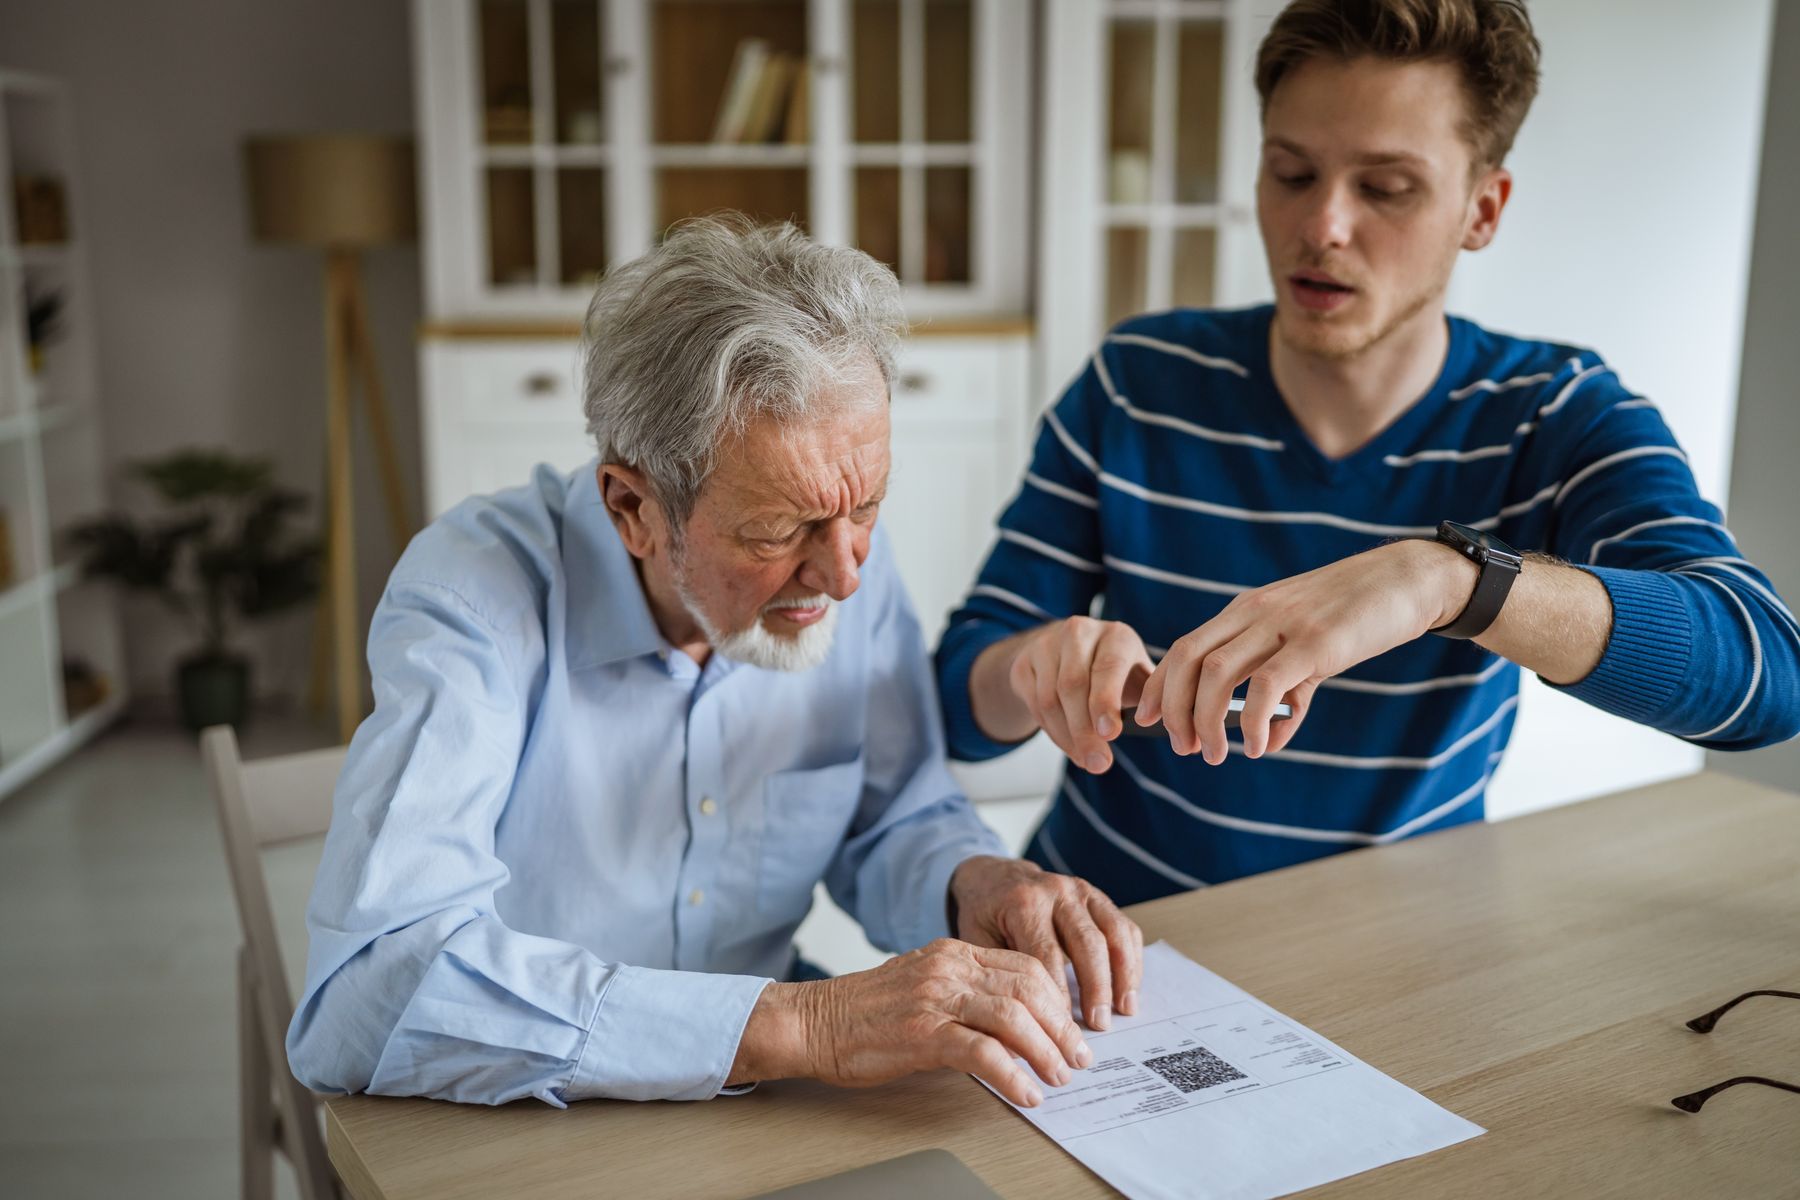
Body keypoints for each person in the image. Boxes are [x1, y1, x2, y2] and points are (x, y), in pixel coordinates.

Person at [936, 0, 1800, 906]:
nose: (1322, 226)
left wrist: (1448, 581)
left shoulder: (1556, 413)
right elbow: (956, 702)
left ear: (1482, 209)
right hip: (1111, 921)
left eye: (1386, 188)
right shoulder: (1135, 380)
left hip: (1394, 945)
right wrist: (1031, 666)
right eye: (1291, 173)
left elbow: (1766, 675)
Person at [287, 219, 1142, 1111]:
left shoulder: (838, 562)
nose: (845, 576)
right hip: (525, 1111)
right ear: (633, 508)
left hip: (765, 1101)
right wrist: (806, 1026)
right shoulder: (473, 599)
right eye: (776, 532)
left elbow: (893, 812)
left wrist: (972, 880)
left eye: (867, 509)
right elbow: (369, 993)